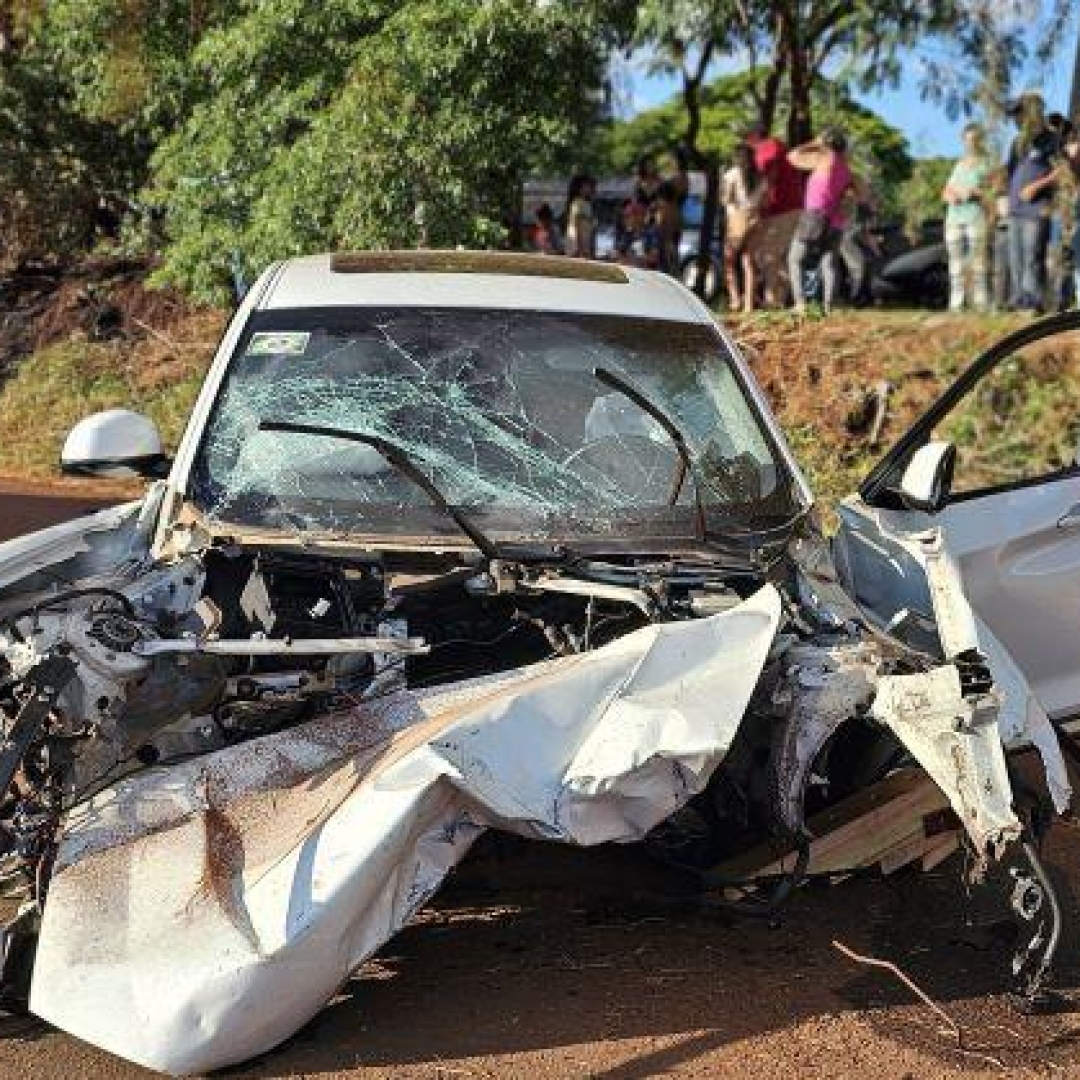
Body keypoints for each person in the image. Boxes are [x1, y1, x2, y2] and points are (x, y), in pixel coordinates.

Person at [787, 128, 860, 314]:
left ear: (826, 143)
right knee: (829, 263)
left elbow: (792, 156)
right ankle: (829, 306)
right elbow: (856, 194)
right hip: (835, 221)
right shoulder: (846, 168)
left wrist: (814, 143)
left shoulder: (823, 158)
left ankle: (801, 304)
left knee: (795, 258)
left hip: (815, 215)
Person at [1006, 93, 1055, 312]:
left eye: (1019, 114)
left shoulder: (1051, 138)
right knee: (1015, 259)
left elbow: (1062, 171)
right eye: (1014, 116)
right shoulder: (1018, 142)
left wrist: (1036, 186)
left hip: (1036, 209)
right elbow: (1011, 172)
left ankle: (1033, 303)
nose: (1016, 119)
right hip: (1015, 209)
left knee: (1032, 257)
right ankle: (1019, 302)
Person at [942, 122, 994, 311]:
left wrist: (974, 192)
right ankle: (956, 304)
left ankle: (981, 304)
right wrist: (950, 195)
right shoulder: (958, 164)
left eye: (975, 139)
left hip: (975, 217)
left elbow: (994, 191)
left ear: (980, 141)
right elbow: (946, 190)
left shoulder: (987, 163)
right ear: (963, 141)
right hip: (954, 218)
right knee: (955, 263)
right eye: (967, 139)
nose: (971, 143)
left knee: (978, 261)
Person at [721, 143, 766, 311]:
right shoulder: (760, 176)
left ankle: (734, 300)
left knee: (729, 262)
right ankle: (748, 304)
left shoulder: (731, 174)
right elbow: (764, 199)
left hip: (736, 219)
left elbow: (725, 200)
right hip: (754, 219)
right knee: (748, 262)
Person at [564, 174, 596, 258]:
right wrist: (578, 246)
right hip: (577, 246)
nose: (589, 188)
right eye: (586, 186)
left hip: (584, 245)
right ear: (579, 188)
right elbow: (576, 224)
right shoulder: (578, 203)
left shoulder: (586, 204)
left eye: (590, 186)